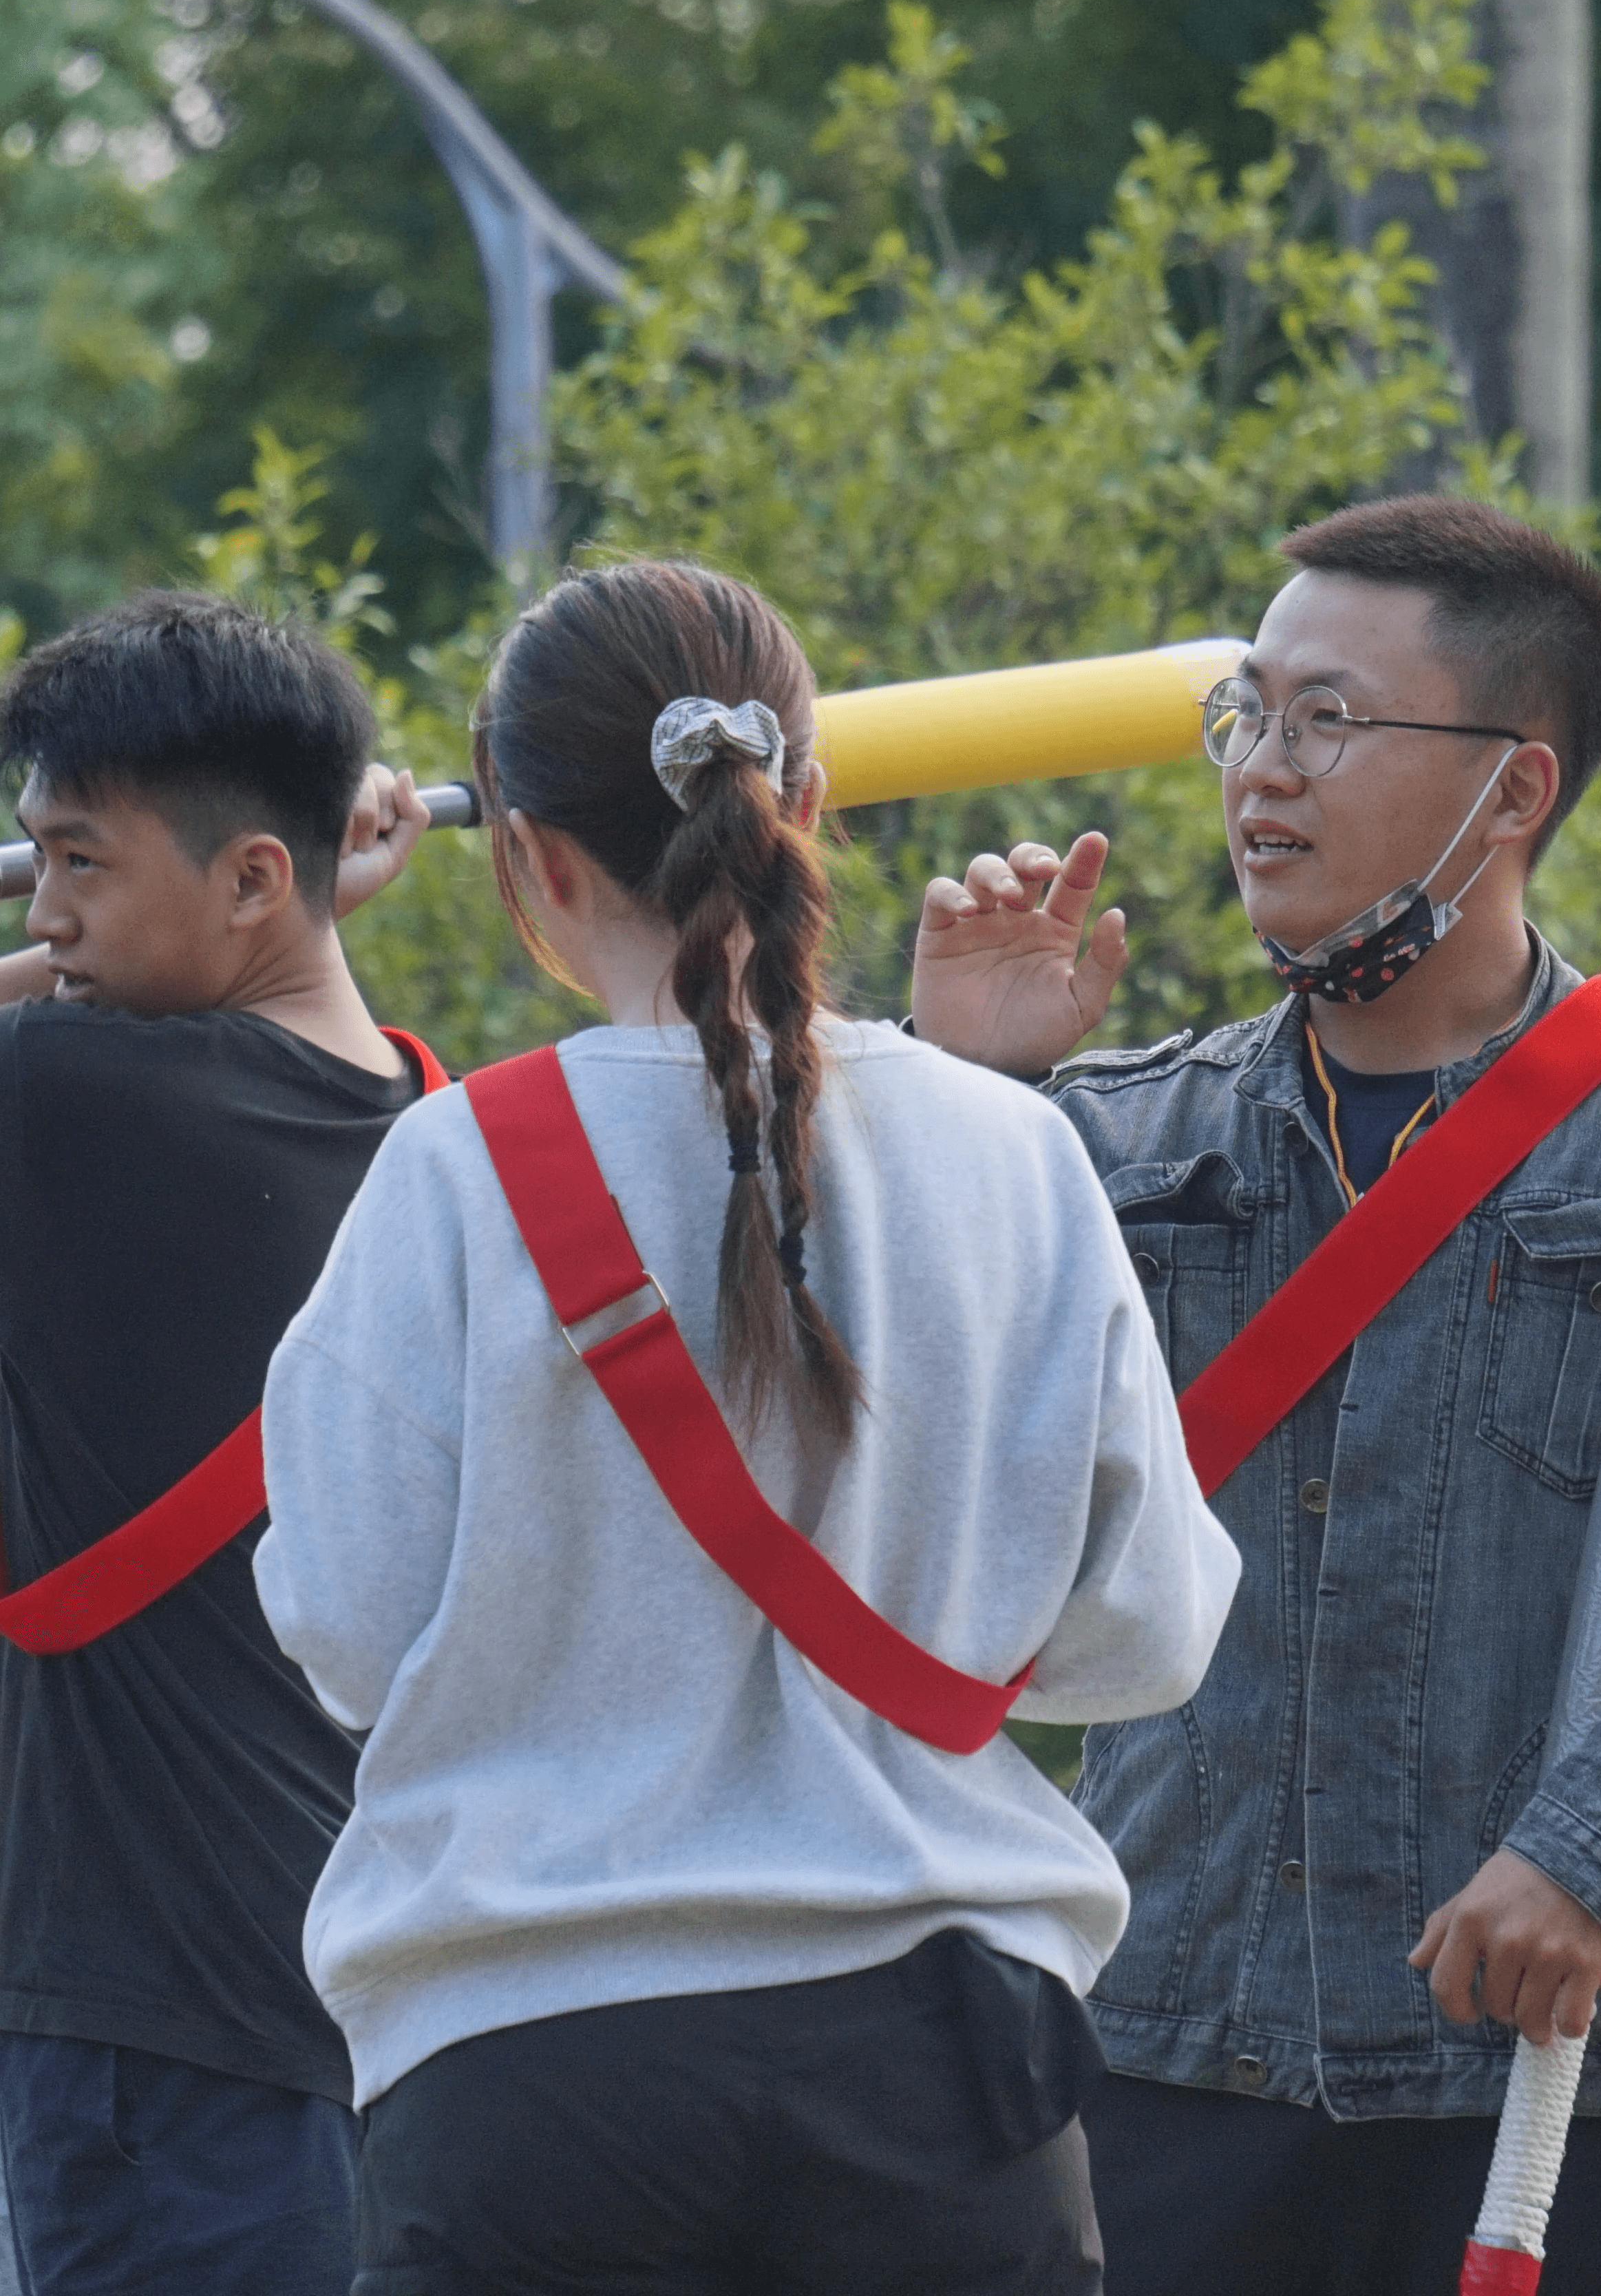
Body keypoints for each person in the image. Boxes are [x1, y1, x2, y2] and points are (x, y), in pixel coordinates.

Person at [911, 494, 1601, 2295]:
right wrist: (963, 1107)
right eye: (1244, 713)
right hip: (1167, 2063)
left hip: (1547, 2089)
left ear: (1514, 789)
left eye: (1329, 719)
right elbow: (901, 1514)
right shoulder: (1103, 1142)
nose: (1262, 769)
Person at [253, 558, 1241, 2296]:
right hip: (947, 2075)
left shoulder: (459, 1166)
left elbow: (343, 1616)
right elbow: (1145, 1631)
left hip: (529, 2067)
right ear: (818, 802)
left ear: (535, 860)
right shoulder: (1016, 1152)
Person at [0, 591, 434, 2296]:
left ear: (252, 874)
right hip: (388, 2007)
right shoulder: (428, 1127)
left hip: (155, 2033)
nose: (47, 911)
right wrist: (303, 902)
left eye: (76, 865)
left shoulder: (68, 1100)